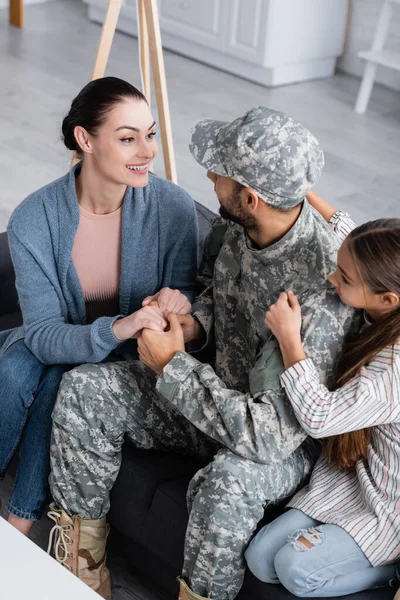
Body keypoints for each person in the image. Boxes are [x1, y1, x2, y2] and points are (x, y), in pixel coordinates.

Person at [47, 106, 358, 600]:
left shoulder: (323, 295)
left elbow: (265, 438)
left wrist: (171, 365)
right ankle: (78, 573)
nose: (208, 175)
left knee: (227, 484)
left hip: (275, 444)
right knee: (86, 388)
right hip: (209, 397)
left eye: (219, 172)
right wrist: (191, 328)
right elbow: (214, 293)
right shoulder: (237, 226)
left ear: (251, 198)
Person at [0, 76, 198, 537]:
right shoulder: (35, 218)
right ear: (84, 139)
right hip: (59, 339)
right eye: (128, 139)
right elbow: (46, 334)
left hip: (127, 360)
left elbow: (188, 293)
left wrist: (177, 301)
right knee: (22, 368)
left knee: (62, 380)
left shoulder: (173, 208)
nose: (147, 151)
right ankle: (22, 521)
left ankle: (20, 521)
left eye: (150, 135)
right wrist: (118, 326)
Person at [245, 202, 400, 597]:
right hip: (352, 476)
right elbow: (353, 235)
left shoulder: (392, 370)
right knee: (261, 558)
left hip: (388, 506)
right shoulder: (386, 296)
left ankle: (391, 571)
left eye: (343, 278)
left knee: (294, 569)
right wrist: (304, 194)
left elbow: (320, 416)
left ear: (388, 300)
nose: (332, 278)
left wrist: (289, 338)